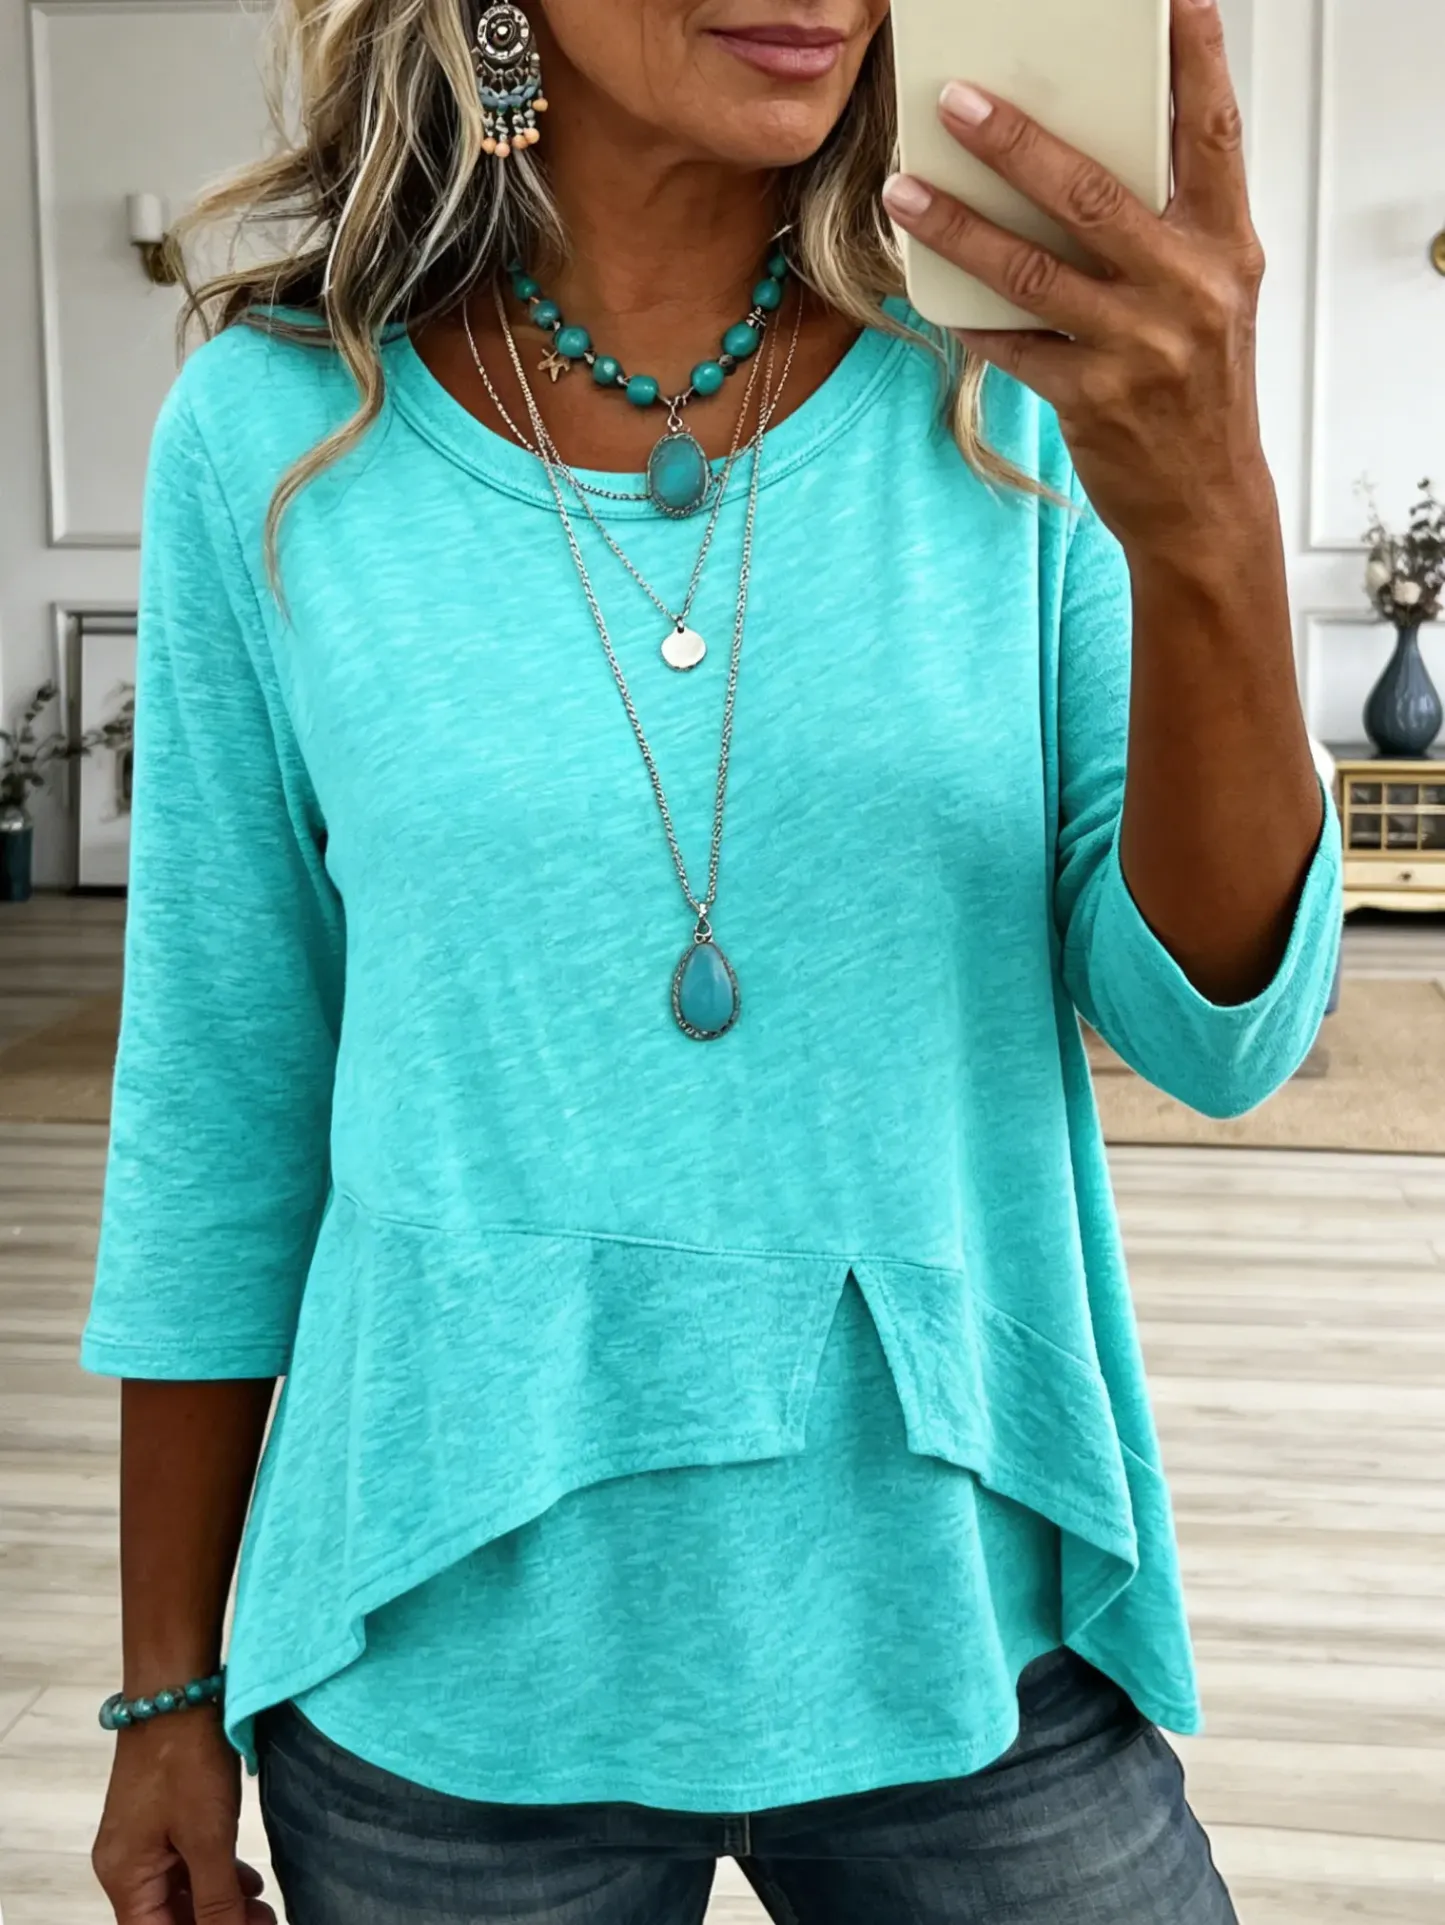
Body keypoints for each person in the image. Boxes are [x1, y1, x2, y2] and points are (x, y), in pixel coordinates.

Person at [84, 1, 1342, 1920]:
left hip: (968, 1617)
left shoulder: (1025, 395)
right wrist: (165, 1691)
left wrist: (1214, 520)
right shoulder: (274, 433)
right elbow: (219, 1101)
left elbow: (1221, 1035)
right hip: (443, 1657)